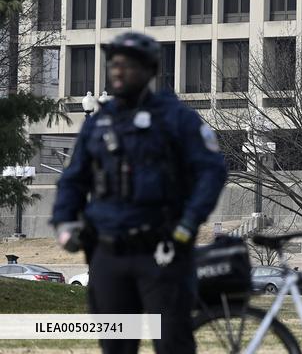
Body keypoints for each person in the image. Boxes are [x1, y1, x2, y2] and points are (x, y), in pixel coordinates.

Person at [51, 32, 228, 354]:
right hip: (108, 253)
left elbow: (212, 171)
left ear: (150, 70)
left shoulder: (177, 118)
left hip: (162, 253)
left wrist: (189, 224)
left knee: (172, 343)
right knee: (117, 346)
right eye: (114, 64)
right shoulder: (99, 122)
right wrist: (64, 223)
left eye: (128, 65)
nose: (118, 72)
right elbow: (73, 179)